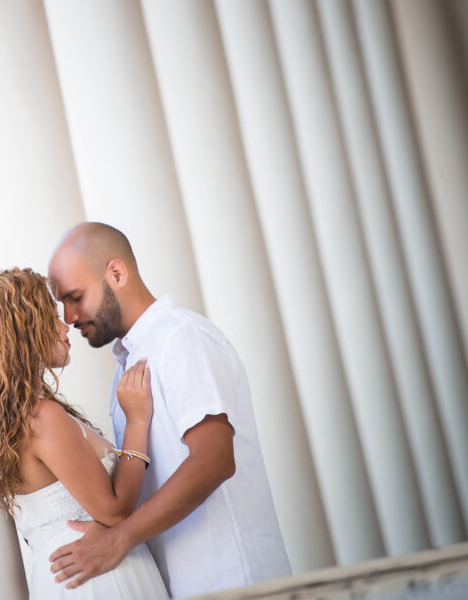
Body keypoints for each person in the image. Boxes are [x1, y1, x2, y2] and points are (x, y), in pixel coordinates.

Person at [46, 222, 291, 598]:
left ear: (117, 272)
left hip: (235, 580)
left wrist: (119, 540)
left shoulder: (181, 338)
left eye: (75, 296)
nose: (69, 315)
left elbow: (214, 460)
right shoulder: (126, 369)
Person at [0, 268, 169, 599]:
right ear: (22, 333)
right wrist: (138, 421)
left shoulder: (19, 419)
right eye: (51, 318)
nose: (64, 325)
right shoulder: (42, 417)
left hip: (75, 577)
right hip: (97, 581)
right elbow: (114, 510)